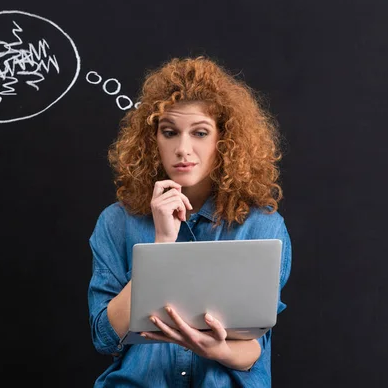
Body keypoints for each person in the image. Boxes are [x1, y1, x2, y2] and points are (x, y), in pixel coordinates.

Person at [87, 56, 292, 387]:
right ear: (153, 141)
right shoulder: (117, 222)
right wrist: (161, 246)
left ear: (223, 142)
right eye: (170, 132)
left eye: (199, 132)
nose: (183, 148)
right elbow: (105, 336)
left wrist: (218, 350)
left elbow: (254, 346)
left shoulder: (262, 226)